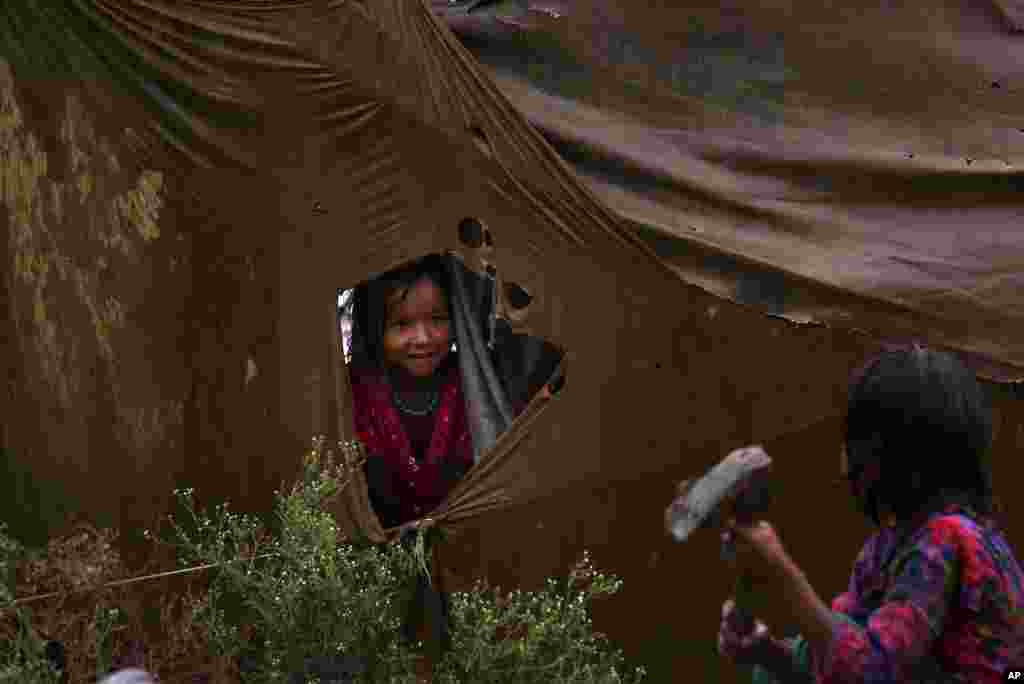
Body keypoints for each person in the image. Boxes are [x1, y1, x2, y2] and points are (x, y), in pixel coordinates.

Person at [716, 344, 1024, 683]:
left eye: (856, 444)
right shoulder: (885, 550)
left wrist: (780, 570)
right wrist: (768, 653)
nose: (844, 469)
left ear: (896, 453)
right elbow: (839, 656)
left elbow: (870, 672)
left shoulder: (947, 541)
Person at [347, 254, 474, 530]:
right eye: (403, 324)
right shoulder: (357, 391)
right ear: (375, 329)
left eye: (438, 319)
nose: (423, 338)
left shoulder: (470, 384)